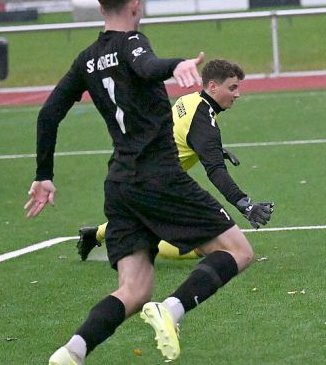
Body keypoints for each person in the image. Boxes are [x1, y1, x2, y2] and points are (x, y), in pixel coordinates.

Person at [25, 0, 268, 365]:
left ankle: (73, 352)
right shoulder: (134, 41)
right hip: (158, 176)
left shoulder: (85, 58)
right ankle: (172, 310)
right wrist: (174, 65)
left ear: (101, 6)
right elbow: (145, 64)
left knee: (133, 289)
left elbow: (48, 114)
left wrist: (44, 174)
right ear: (136, 5)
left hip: (120, 182)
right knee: (238, 250)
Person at [77, 58, 275, 262]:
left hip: (138, 170)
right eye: (232, 88)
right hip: (154, 183)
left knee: (140, 221)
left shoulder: (191, 99)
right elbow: (216, 171)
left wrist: (215, 150)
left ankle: (94, 234)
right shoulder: (204, 124)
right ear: (213, 87)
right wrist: (245, 205)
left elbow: (182, 133)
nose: (237, 94)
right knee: (205, 241)